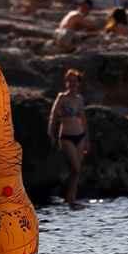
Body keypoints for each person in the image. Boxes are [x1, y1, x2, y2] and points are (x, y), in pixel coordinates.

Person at [48, 69, 90, 209]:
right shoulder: (61, 97)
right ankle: (69, 198)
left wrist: (87, 139)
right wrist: (51, 134)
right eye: (69, 81)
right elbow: (53, 117)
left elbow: (83, 119)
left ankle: (71, 198)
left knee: (75, 171)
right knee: (75, 168)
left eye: (74, 81)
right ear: (66, 82)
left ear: (78, 82)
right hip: (66, 136)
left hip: (80, 135)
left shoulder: (79, 99)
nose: (71, 83)